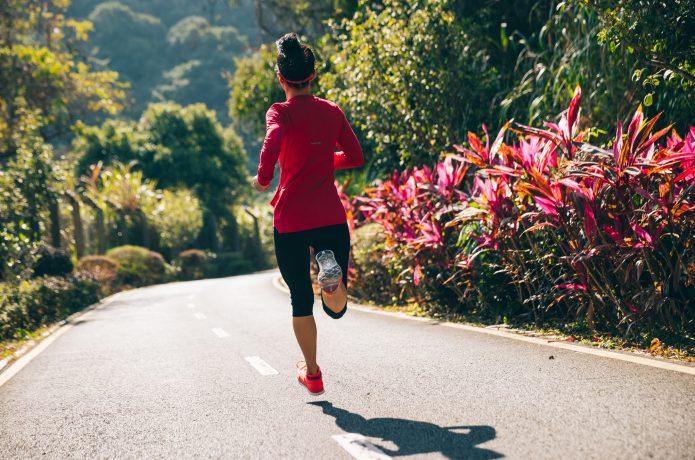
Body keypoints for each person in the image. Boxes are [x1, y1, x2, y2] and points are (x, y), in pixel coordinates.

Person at [252, 32, 364, 396]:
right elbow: (355, 157)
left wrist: (265, 177)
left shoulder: (279, 111)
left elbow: (272, 140)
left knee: (300, 298)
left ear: (281, 79)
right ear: (312, 75)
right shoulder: (331, 111)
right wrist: (322, 159)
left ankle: (312, 373)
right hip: (330, 217)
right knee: (335, 309)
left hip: (291, 221)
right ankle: (329, 273)